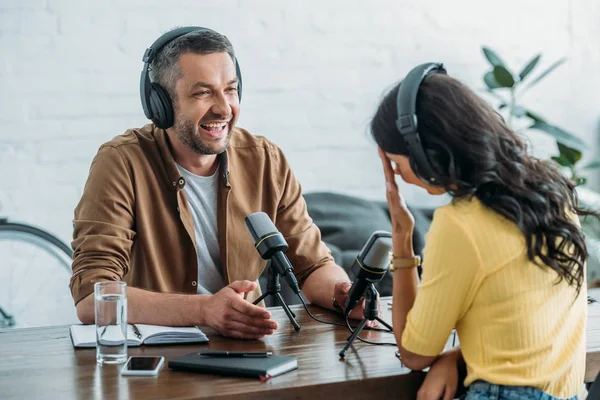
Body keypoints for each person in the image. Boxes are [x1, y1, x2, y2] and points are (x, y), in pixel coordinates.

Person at [70, 26, 367, 340]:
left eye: (230, 89)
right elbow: (92, 298)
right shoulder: (121, 161)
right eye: (202, 93)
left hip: (245, 350)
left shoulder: (266, 160)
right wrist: (204, 309)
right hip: (154, 358)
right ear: (161, 104)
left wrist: (344, 294)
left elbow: (313, 265)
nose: (224, 108)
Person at [370, 63, 598, 399]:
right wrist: (454, 358)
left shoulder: (459, 224)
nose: (398, 175)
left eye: (396, 163)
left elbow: (414, 354)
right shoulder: (554, 192)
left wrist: (402, 240)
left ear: (425, 152)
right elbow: (526, 328)